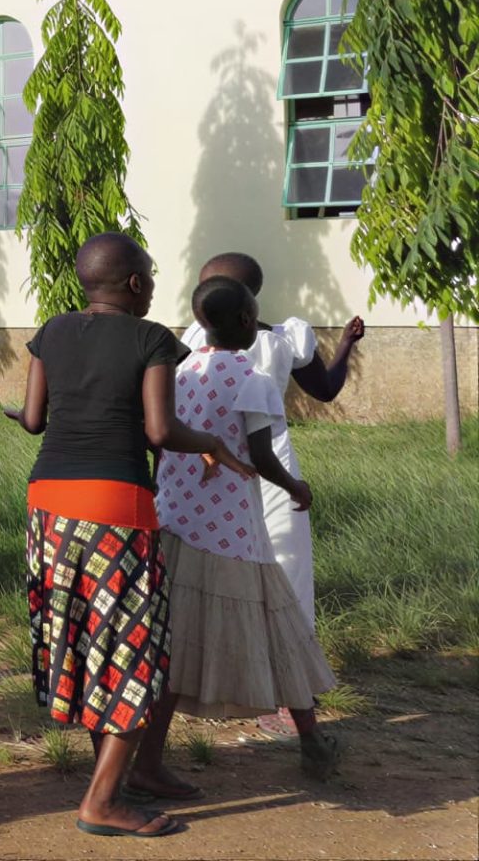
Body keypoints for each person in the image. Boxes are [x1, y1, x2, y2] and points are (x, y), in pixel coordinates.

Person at [7, 232, 254, 839]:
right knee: (135, 649)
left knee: (91, 642)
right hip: (116, 505)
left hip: (48, 506)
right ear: (137, 284)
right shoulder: (152, 339)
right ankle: (101, 801)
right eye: (150, 273)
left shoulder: (52, 332)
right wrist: (214, 443)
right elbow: (161, 430)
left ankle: (112, 776)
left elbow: (34, 420)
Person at [137, 276, 341, 793]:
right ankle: (312, 740)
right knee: (281, 629)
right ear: (249, 323)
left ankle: (147, 760)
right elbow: (263, 454)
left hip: (175, 519)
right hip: (231, 530)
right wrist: (298, 486)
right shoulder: (254, 378)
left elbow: (159, 439)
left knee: (172, 642)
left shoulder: (179, 370)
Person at [178, 251, 364, 737]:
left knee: (213, 578)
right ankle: (286, 699)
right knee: (287, 579)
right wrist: (344, 345)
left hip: (208, 471)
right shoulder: (285, 340)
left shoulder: (194, 340)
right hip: (274, 469)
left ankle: (213, 680)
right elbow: (325, 389)